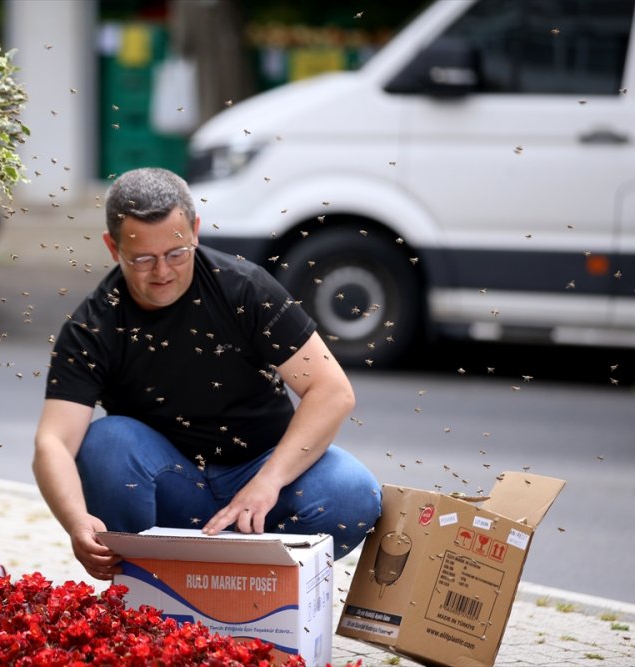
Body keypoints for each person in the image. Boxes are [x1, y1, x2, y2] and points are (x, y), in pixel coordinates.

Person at [33, 167, 381, 581]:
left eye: (176, 253)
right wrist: (76, 521)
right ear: (113, 247)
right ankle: (147, 586)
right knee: (106, 442)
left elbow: (332, 391)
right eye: (143, 259)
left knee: (353, 492)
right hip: (172, 488)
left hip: (261, 474)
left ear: (195, 231)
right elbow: (53, 442)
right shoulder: (92, 326)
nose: (162, 272)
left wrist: (268, 482)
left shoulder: (245, 288)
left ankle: (256, 587)